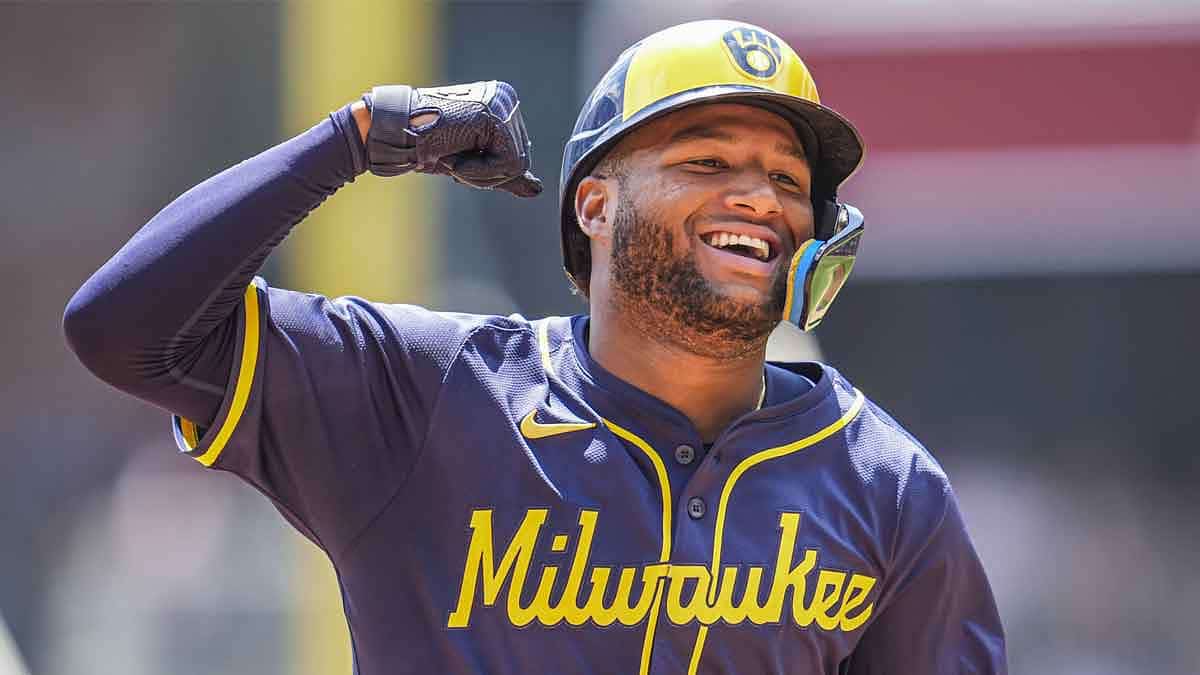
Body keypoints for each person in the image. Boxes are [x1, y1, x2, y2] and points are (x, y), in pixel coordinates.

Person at [64, 19, 1006, 675]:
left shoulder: (886, 486)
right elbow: (125, 328)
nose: (760, 196)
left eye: (789, 179)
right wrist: (355, 139)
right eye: (708, 161)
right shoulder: (432, 397)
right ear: (594, 204)